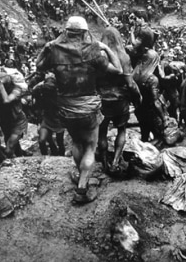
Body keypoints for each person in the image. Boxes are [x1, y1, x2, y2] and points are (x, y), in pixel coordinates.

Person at [36, 16, 122, 204]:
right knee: (91, 146)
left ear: (66, 31)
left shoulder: (55, 50)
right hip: (89, 106)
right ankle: (82, 188)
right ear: (84, 32)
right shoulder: (92, 51)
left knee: (76, 142)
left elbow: (38, 65)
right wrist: (106, 48)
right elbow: (118, 70)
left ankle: (79, 172)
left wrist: (47, 47)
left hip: (66, 107)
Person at [97, 27, 141, 172]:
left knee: (102, 130)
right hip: (120, 99)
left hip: (102, 99)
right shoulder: (124, 56)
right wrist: (137, 97)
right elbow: (130, 83)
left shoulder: (98, 56)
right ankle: (115, 161)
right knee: (121, 129)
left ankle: (104, 162)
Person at [132, 29, 165, 145]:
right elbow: (156, 102)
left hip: (139, 107)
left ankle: (145, 139)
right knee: (156, 130)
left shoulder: (135, 73)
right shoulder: (152, 80)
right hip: (151, 110)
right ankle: (156, 140)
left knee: (143, 126)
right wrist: (164, 117)